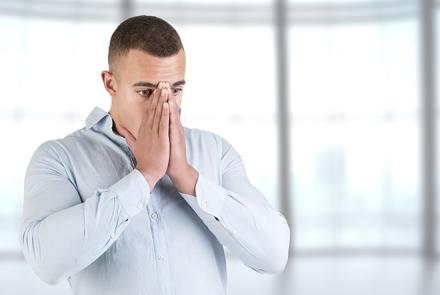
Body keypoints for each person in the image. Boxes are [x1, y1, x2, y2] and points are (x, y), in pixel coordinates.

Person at [20, 15, 290, 295]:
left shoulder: (216, 152)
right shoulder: (60, 158)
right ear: (110, 83)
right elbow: (47, 263)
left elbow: (273, 254)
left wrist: (187, 177)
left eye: (175, 90)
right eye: (146, 91)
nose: (165, 105)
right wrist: (144, 176)